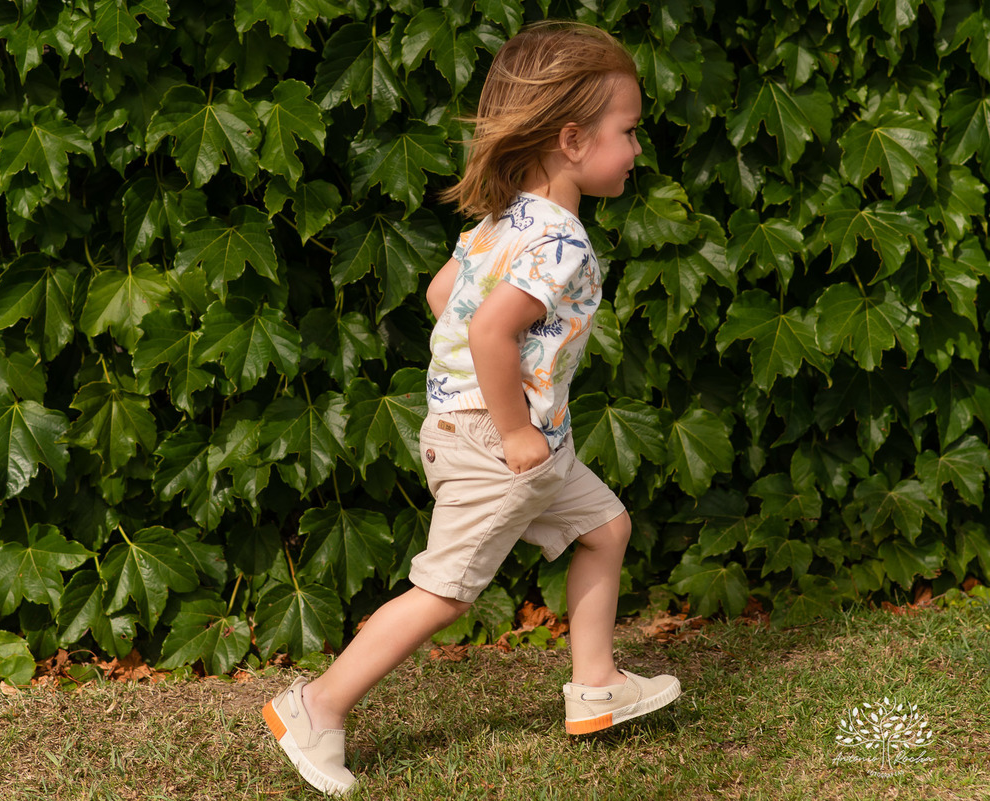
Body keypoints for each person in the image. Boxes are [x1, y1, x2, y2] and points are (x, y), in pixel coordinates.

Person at [262, 22, 681, 796]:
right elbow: (490, 328)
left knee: (605, 527)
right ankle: (316, 704)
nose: (636, 149)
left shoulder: (502, 221)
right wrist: (516, 429)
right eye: (629, 132)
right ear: (572, 139)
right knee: (446, 592)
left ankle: (596, 685)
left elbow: (440, 298)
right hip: (504, 440)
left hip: (485, 429)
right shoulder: (561, 242)